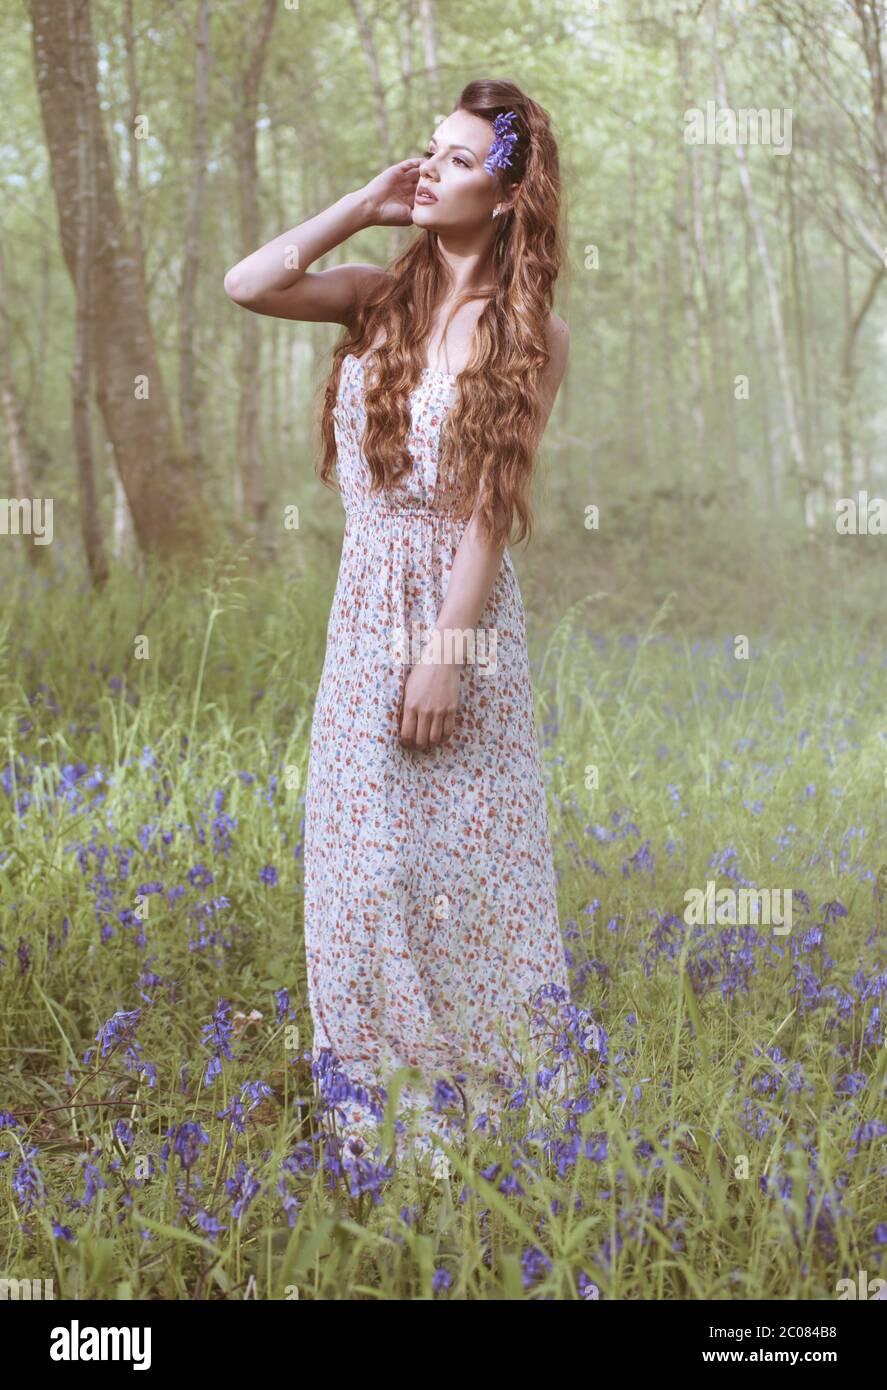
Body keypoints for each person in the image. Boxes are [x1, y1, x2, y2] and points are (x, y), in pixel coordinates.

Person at [224, 78, 576, 1172]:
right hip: (361, 602)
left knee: (467, 865)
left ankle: (488, 1103)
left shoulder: (527, 331)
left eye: (458, 160)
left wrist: (448, 655)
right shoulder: (376, 294)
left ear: (511, 195)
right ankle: (377, 1102)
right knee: (361, 862)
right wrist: (366, 200)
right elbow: (248, 283)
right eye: (427, 151)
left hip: (454, 617)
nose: (431, 170)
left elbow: (489, 508)